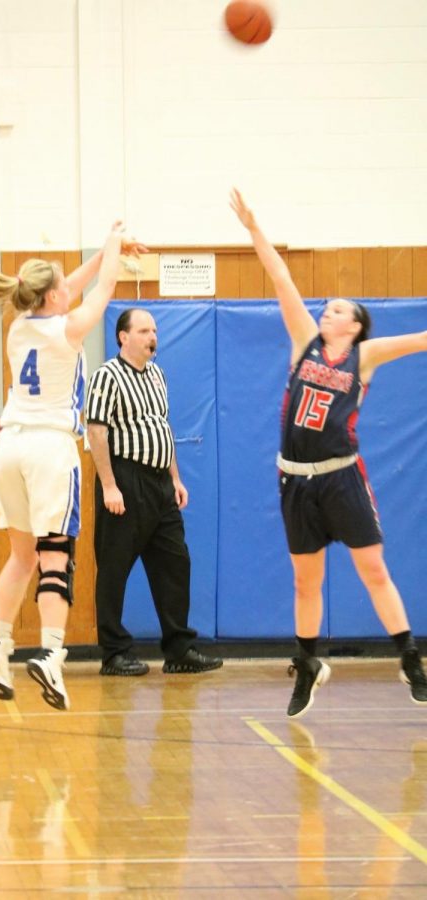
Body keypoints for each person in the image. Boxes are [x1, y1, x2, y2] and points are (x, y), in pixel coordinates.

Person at [230, 187, 427, 718]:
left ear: (355, 324)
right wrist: (254, 229)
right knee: (304, 579)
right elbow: (281, 278)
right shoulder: (303, 343)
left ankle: (410, 660)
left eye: (336, 309)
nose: (326, 310)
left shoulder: (365, 356)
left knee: (373, 570)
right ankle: (308, 663)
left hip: (341, 477)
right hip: (294, 479)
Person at [0, 222, 146, 711]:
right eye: (62, 288)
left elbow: (74, 286)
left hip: (9, 447)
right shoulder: (68, 330)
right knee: (56, 555)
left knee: (21, 556)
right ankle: (53, 654)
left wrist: (102, 252)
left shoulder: (19, 326)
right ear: (53, 297)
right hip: (50, 449)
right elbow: (105, 290)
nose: (67, 291)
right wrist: (114, 239)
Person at [86, 307, 224, 676]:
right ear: (123, 336)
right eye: (144, 331)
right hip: (125, 480)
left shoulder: (158, 375)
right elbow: (97, 433)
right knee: (114, 568)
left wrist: (175, 478)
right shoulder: (107, 376)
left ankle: (179, 649)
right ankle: (114, 652)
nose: (153, 338)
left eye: (155, 331)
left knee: (175, 563)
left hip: (160, 483)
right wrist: (110, 486)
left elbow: (162, 428)